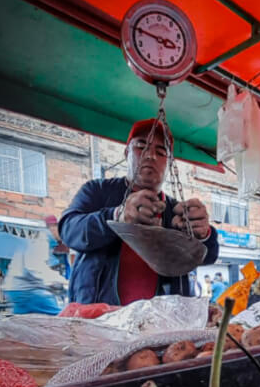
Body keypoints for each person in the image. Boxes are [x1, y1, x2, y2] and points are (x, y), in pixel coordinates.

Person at [59, 119, 219, 305]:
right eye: (141, 146)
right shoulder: (98, 191)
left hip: (159, 323)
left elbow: (209, 255)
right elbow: (68, 231)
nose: (150, 155)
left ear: (168, 163)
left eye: (161, 152)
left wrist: (203, 233)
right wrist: (117, 216)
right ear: (127, 152)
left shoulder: (175, 212)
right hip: (100, 318)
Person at [3, 230, 67, 315]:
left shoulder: (29, 241)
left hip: (14, 289)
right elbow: (35, 267)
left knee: (20, 320)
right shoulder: (41, 241)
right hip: (28, 290)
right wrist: (60, 280)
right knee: (59, 316)